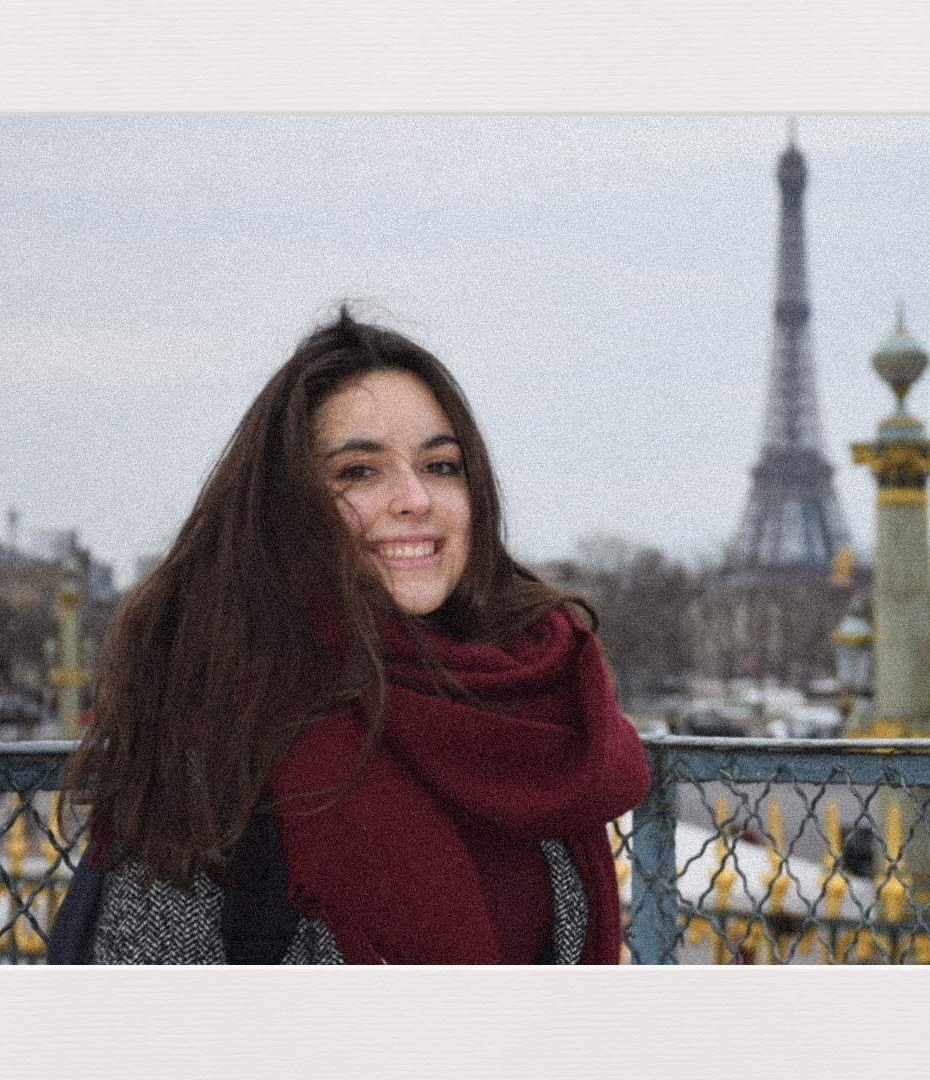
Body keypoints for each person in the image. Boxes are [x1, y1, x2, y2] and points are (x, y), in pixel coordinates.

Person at [50, 309, 651, 964]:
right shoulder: (218, 741)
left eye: (441, 465)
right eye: (360, 471)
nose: (415, 499)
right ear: (286, 506)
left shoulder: (534, 702)